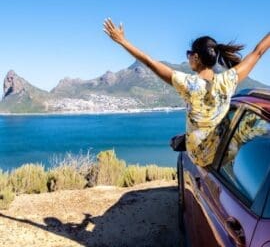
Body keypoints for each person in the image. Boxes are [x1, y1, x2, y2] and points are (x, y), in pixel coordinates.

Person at [103, 18, 270, 167]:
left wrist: (122, 41)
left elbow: (149, 62)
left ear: (196, 57)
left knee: (179, 141)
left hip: (201, 158)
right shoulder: (229, 80)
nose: (188, 57)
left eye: (189, 53)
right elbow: (258, 52)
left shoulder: (188, 84)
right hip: (225, 153)